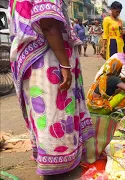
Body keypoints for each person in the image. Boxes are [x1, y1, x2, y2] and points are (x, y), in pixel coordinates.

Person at [9, 0, 94, 175]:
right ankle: (58, 164)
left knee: (41, 111)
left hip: (31, 59)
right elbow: (48, 24)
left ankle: (50, 157)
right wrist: (64, 65)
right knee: (53, 112)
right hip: (46, 59)